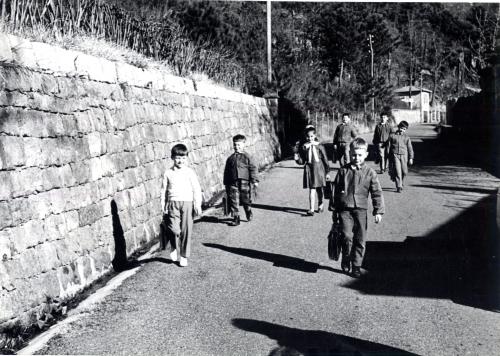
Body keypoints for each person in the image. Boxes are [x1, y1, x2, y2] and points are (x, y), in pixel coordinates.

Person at [329, 137, 384, 278]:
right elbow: (335, 191)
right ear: (349, 153)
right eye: (354, 154)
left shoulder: (370, 172)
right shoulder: (343, 171)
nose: (356, 158)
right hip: (345, 209)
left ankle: (357, 266)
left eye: (360, 155)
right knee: (347, 236)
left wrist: (378, 210)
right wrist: (334, 209)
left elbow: (376, 192)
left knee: (360, 239)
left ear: (366, 154)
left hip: (361, 210)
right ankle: (346, 257)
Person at [160, 144, 202, 267]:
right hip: (173, 203)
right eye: (178, 158)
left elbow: (196, 188)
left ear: (187, 158)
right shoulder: (168, 173)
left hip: (188, 203)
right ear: (173, 157)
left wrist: (197, 204)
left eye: (183, 158)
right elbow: (163, 190)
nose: (180, 161)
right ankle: (173, 245)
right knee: (174, 230)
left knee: (186, 230)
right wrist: (163, 204)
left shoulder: (190, 172)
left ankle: (183, 255)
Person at [223, 134, 259, 226]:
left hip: (244, 182)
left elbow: (253, 168)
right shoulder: (230, 159)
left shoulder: (248, 157)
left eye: (239, 145)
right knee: (233, 200)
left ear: (244, 144)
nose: (236, 147)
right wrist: (226, 183)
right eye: (235, 144)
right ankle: (236, 218)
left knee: (245, 199)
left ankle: (248, 210)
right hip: (232, 182)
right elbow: (226, 171)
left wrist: (254, 181)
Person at [294, 126, 330, 216]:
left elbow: (325, 159)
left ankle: (321, 204)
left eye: (311, 136)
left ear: (315, 136)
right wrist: (297, 159)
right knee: (312, 190)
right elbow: (302, 161)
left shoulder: (320, 146)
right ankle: (311, 209)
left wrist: (327, 172)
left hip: (319, 169)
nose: (310, 138)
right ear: (306, 137)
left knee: (319, 189)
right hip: (310, 170)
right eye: (308, 137)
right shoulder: (305, 147)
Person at [387, 120, 414, 193]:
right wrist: (388, 156)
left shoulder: (407, 138)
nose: (402, 130)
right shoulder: (392, 136)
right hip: (395, 155)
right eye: (401, 128)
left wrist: (411, 158)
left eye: (404, 129)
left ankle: (401, 182)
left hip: (404, 156)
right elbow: (388, 147)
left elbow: (410, 148)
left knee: (404, 172)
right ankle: (399, 186)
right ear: (398, 127)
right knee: (398, 171)